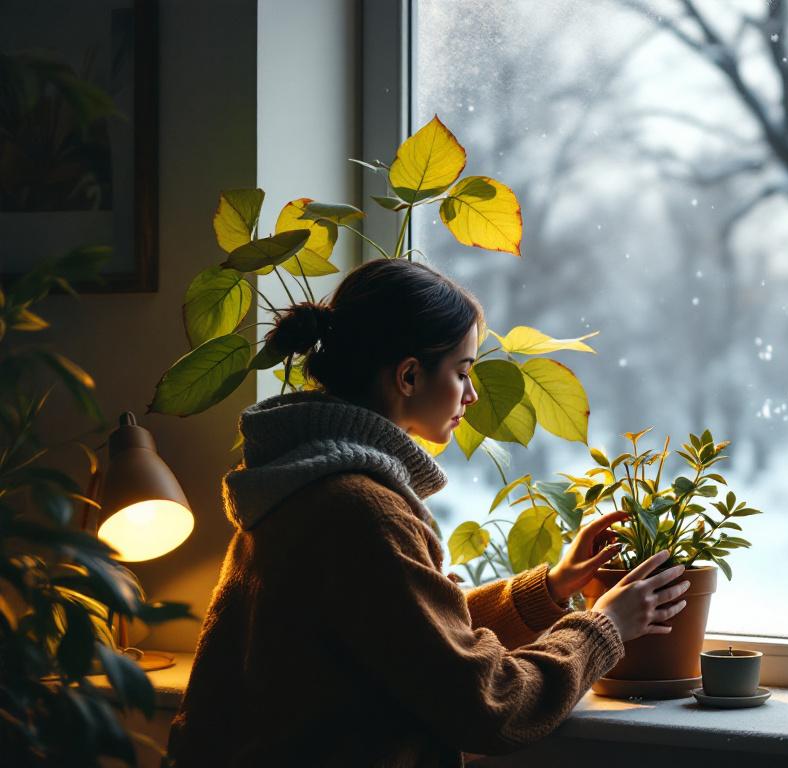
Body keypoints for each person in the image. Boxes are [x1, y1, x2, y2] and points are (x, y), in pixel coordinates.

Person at [168, 258, 688, 767]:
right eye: (462, 372)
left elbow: (407, 638)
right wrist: (603, 626)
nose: (472, 394)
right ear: (410, 375)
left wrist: (549, 589)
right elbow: (488, 704)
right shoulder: (362, 511)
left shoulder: (301, 483)